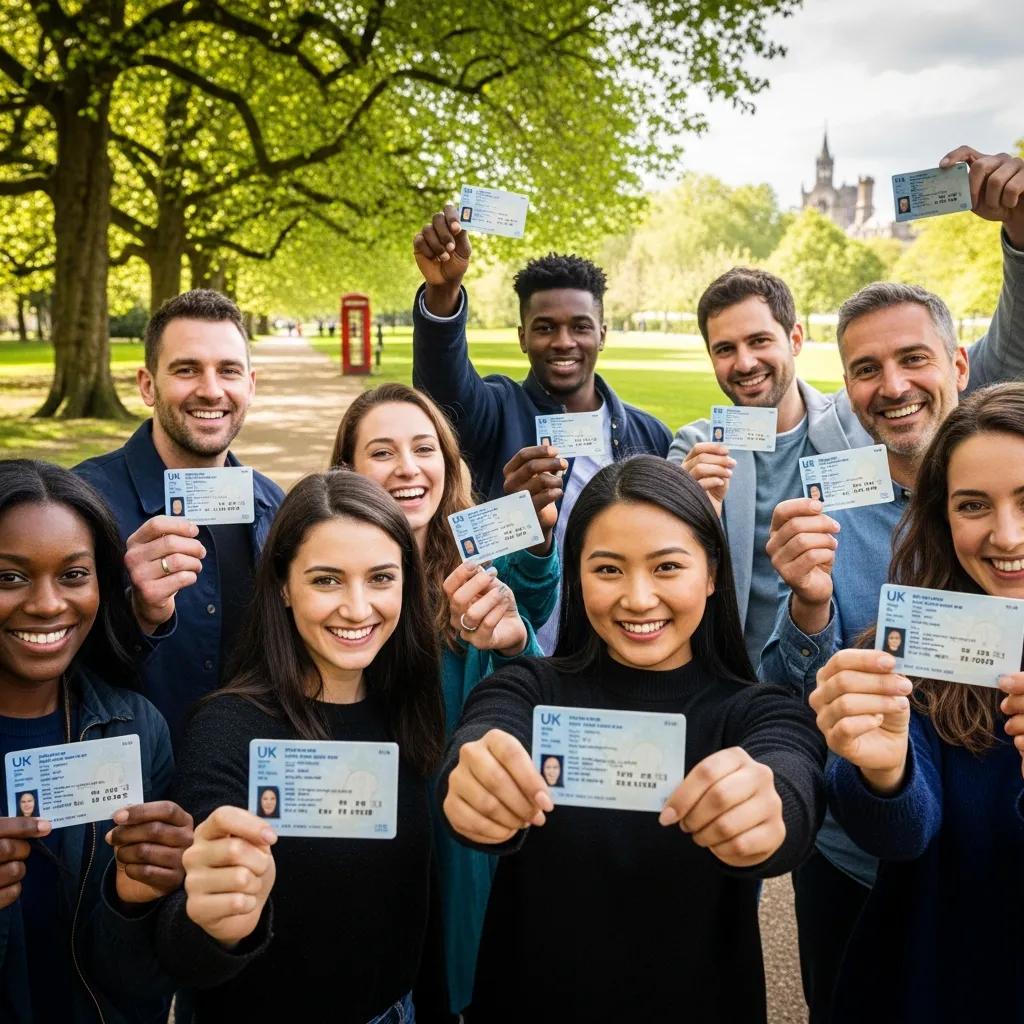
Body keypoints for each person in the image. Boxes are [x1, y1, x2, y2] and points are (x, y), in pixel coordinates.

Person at [761, 145, 1024, 1024]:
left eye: (914, 360)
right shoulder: (829, 496)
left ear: (961, 366)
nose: (893, 386)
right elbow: (887, 783)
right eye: (866, 371)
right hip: (870, 862)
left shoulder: (994, 477)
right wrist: (807, 608)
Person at [440, 456, 825, 1022]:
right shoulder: (530, 686)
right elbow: (486, 729)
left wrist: (775, 805)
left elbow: (791, 767)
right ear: (575, 576)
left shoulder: (754, 711)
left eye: (667, 567)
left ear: (713, 573)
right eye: (608, 570)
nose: (639, 598)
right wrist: (474, 778)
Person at [668, 145, 1024, 674]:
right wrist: (689, 512)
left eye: (759, 341)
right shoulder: (699, 446)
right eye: (724, 349)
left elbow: (1011, 349)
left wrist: (1019, 237)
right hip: (756, 683)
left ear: (794, 339)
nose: (893, 387)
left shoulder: (856, 432)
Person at [156, 471, 444, 1022]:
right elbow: (180, 948)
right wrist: (217, 921)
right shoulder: (227, 728)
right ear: (284, 587)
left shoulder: (410, 711)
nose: (358, 608)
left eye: (381, 578)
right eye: (327, 580)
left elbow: (414, 902)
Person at [331, 382, 560, 1015]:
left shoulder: (475, 564)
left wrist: (516, 628)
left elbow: (530, 653)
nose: (408, 468)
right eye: (383, 452)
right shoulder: (322, 565)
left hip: (457, 843)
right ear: (348, 469)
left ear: (449, 463)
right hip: (364, 827)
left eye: (424, 448)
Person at [809, 382, 1024, 1023]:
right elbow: (900, 839)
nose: (1006, 536)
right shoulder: (911, 644)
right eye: (972, 505)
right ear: (940, 516)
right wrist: (883, 772)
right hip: (928, 983)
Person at [411, 204, 672, 651]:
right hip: (520, 645)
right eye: (546, 327)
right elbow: (444, 390)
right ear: (522, 337)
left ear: (603, 335)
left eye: (580, 327)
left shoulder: (651, 435)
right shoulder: (496, 408)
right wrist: (444, 294)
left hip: (622, 646)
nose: (564, 342)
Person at [0, 460, 193, 1024]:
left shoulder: (136, 729)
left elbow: (144, 981)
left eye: (73, 575)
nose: (46, 603)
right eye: (9, 577)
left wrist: (139, 899)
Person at [75, 289, 285, 744]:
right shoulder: (80, 504)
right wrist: (137, 616)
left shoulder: (276, 506)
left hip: (244, 784)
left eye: (228, 371)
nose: (211, 390)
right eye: (187, 369)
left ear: (250, 385)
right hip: (133, 790)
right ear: (147, 385)